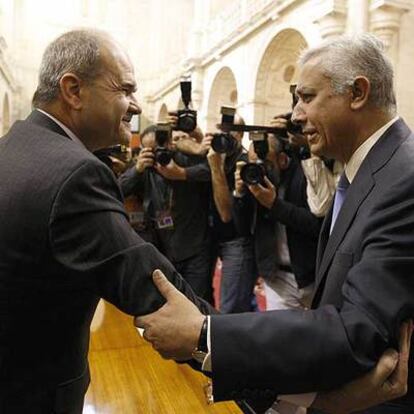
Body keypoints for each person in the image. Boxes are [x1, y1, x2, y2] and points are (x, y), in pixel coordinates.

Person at [136, 33, 414, 413]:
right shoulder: (368, 171)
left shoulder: (404, 178)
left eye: (307, 97)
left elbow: (358, 333)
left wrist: (206, 335)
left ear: (358, 93)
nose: (296, 115)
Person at [0, 29, 212, 414]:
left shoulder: (12, 146)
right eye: (125, 89)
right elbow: (153, 288)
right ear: (73, 90)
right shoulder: (75, 174)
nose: (135, 105)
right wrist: (246, 354)